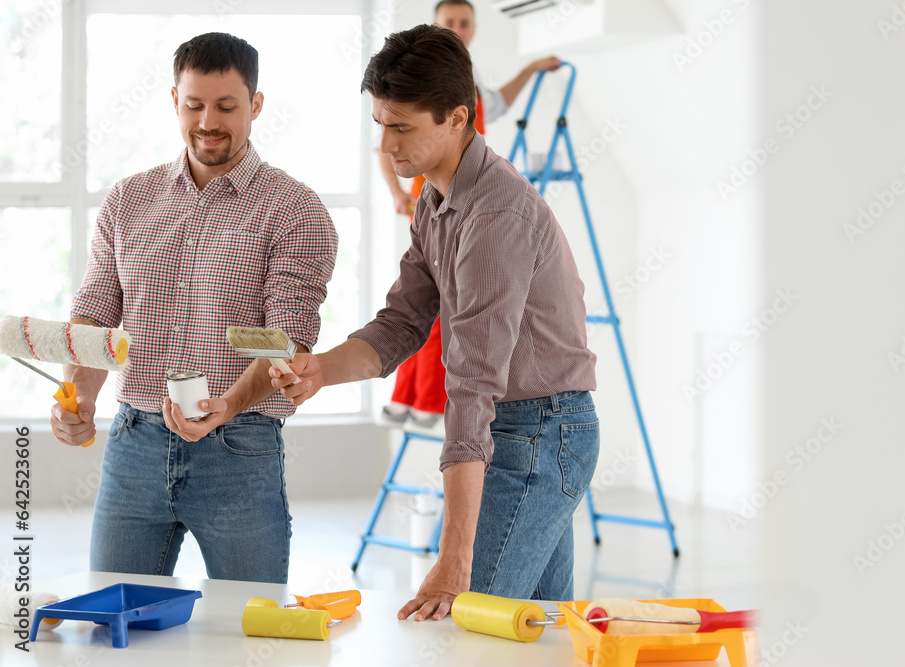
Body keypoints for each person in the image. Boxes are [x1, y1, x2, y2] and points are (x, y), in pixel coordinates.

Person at [271, 25, 598, 620]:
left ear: (456, 117)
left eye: (402, 127)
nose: (387, 145)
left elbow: (472, 385)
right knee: (544, 637)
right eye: (380, 125)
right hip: (524, 429)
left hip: (542, 433)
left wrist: (454, 556)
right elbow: (402, 321)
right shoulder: (435, 199)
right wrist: (318, 370)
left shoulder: (495, 214)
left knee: (473, 620)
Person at [49, 32, 337, 584]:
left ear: (255, 105)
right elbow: (93, 315)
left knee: (247, 624)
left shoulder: (294, 209)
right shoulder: (127, 200)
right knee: (117, 620)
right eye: (194, 105)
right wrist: (78, 396)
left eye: (227, 106)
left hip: (239, 448)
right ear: (174, 101)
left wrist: (225, 406)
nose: (208, 121)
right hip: (134, 444)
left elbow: (285, 339)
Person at [379, 0, 561, 426]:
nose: (457, 29)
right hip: (434, 191)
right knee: (437, 303)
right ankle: (422, 401)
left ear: (474, 29)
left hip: (466, 192)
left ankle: (407, 400)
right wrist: (395, 191)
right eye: (449, 23)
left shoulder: (470, 75)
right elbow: (387, 141)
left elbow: (495, 105)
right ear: (435, 26)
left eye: (463, 23)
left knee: (444, 301)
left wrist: (532, 69)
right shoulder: (422, 76)